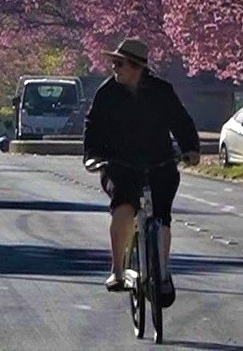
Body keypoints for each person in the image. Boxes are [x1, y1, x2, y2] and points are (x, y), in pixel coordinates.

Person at [83, 38, 201, 303]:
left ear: (136, 67)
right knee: (124, 205)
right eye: (114, 63)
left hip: (159, 160)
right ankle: (118, 270)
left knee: (162, 216)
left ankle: (162, 270)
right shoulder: (107, 92)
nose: (115, 68)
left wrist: (190, 149)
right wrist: (92, 156)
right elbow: (93, 125)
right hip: (120, 163)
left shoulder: (161, 91)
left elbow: (181, 120)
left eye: (119, 64)